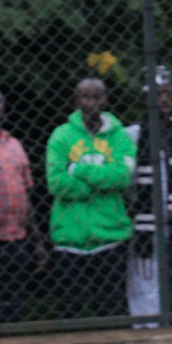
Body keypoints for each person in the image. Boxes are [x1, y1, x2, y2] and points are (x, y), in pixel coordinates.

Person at [46, 78, 135, 319]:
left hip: (111, 236)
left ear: (106, 101)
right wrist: (99, 184)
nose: (92, 102)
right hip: (70, 237)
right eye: (86, 97)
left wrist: (77, 169)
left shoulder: (120, 136)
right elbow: (56, 183)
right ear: (76, 102)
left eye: (97, 96)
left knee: (111, 312)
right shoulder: (61, 135)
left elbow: (121, 177)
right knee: (70, 313)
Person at [126, 66, 172, 325]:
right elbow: (126, 184)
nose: (165, 99)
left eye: (169, 93)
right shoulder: (132, 136)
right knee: (143, 280)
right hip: (143, 226)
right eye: (158, 94)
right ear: (145, 98)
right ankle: (145, 329)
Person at [0, 85, 47, 324]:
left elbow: (26, 194)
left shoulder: (14, 144)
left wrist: (37, 243)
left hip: (17, 239)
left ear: (4, 107)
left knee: (14, 308)